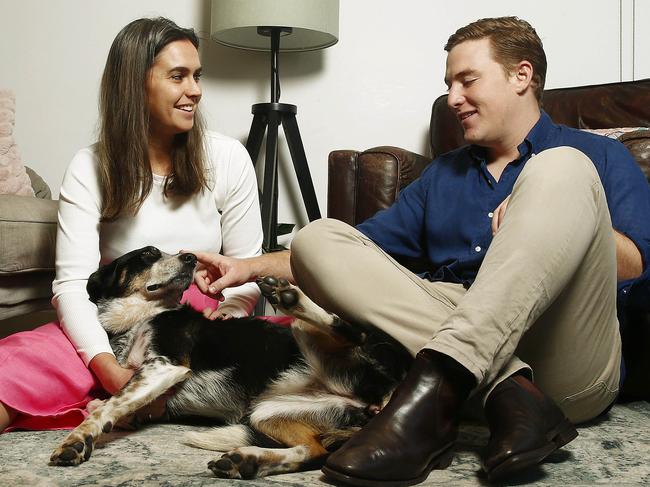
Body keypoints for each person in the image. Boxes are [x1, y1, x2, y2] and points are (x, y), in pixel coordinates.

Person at [191, 16, 650, 486]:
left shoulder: (595, 156)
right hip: (455, 357)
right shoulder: (442, 176)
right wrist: (246, 266)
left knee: (560, 168)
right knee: (316, 238)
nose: (453, 98)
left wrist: (544, 206)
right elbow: (355, 255)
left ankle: (450, 387)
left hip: (563, 357)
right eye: (449, 84)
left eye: (467, 80)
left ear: (522, 76)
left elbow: (633, 263)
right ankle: (507, 391)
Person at [0, 17, 263, 433]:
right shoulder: (89, 166)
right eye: (178, 77)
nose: (195, 90)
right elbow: (71, 284)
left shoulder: (229, 157)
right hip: (115, 321)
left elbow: (248, 266)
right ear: (135, 85)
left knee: (300, 354)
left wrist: (231, 311)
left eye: (197, 76)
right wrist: (109, 370)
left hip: (196, 326)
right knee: (14, 368)